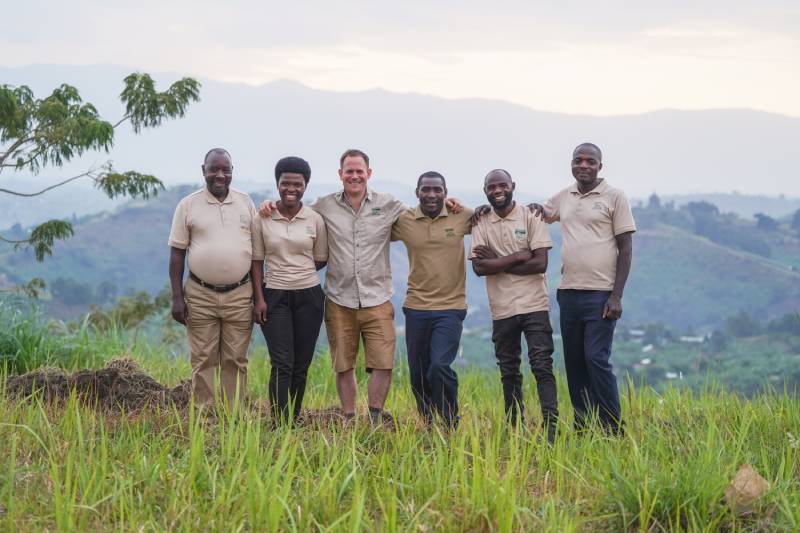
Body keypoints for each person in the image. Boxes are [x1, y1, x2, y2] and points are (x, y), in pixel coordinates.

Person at [259, 149, 462, 425]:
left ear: (369, 173)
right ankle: (349, 417)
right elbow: (295, 209)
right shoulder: (324, 206)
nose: (354, 176)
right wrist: (270, 205)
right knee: (343, 364)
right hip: (339, 299)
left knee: (383, 362)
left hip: (377, 297)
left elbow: (422, 213)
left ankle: (376, 416)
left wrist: (446, 203)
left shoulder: (388, 204)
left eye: (359, 171)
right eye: (349, 171)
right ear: (340, 174)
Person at [532, 143, 635, 434]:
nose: (584, 165)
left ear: (601, 166)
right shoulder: (566, 196)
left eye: (591, 161)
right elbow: (539, 212)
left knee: (596, 358)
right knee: (575, 362)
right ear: (572, 164)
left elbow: (626, 248)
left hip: (601, 294)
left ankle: (613, 426)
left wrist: (617, 295)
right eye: (579, 160)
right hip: (569, 292)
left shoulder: (615, 197)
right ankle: (583, 424)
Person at [470, 169, 558, 441]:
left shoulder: (532, 216)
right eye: (492, 186)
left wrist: (499, 260)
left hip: (534, 305)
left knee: (542, 365)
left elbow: (540, 263)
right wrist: (519, 256)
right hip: (502, 308)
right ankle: (514, 428)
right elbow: (479, 268)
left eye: (502, 185)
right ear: (485, 190)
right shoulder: (481, 221)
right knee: (508, 370)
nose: (498, 190)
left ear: (512, 186)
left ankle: (551, 429)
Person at [168, 148, 260, 408]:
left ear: (232, 172)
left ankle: (235, 417)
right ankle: (205, 417)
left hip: (240, 294)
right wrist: (177, 297)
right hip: (200, 293)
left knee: (236, 359)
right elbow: (176, 254)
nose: (220, 175)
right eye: (214, 169)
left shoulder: (246, 203)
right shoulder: (187, 205)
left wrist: (259, 295)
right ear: (203, 171)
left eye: (225, 169)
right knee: (203, 358)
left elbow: (256, 254)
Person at [391, 171, 472, 428]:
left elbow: (490, 217)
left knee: (439, 366)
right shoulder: (405, 220)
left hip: (451, 307)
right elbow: (373, 231)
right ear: (417, 193)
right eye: (426, 189)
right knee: (418, 372)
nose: (432, 194)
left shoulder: (461, 216)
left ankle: (450, 421)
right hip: (416, 307)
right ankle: (427, 421)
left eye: (438, 190)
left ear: (446, 193)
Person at [251, 156, 328, 424]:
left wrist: (299, 272)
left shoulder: (314, 219)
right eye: (285, 183)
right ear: (278, 184)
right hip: (274, 295)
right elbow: (256, 261)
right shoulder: (263, 217)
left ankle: (293, 420)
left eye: (297, 184)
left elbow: (320, 258)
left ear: (305, 186)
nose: (291, 189)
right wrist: (259, 299)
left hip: (309, 296)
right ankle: (279, 422)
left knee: (301, 364)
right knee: (282, 362)